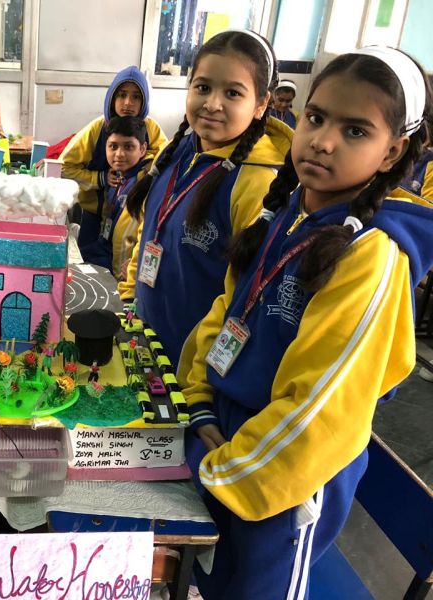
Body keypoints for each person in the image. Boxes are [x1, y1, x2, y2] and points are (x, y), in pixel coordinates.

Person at [183, 47, 433, 599]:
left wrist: (219, 472)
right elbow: (226, 312)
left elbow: (321, 409)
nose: (322, 141)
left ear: (392, 151)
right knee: (210, 581)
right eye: (316, 118)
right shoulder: (286, 213)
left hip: (282, 476)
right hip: (226, 440)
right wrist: (199, 401)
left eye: (355, 131)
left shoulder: (371, 256)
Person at [119, 30, 292, 379]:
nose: (213, 103)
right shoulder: (179, 151)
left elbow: (244, 301)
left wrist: (201, 384)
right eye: (203, 87)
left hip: (193, 371)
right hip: (144, 337)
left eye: (233, 93)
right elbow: (151, 232)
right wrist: (128, 296)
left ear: (261, 104)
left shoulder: (257, 183)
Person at [60, 66, 167, 251]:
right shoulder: (97, 129)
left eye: (136, 97)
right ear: (111, 98)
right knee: (90, 259)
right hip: (96, 216)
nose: (128, 103)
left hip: (134, 218)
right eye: (122, 95)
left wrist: (147, 164)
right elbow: (63, 167)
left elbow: (168, 159)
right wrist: (100, 178)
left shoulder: (150, 128)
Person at [79, 116, 150, 279]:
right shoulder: (116, 178)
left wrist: (135, 264)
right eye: (113, 146)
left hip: (125, 269)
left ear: (142, 149)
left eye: (129, 147)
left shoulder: (145, 184)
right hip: (105, 253)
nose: (119, 154)